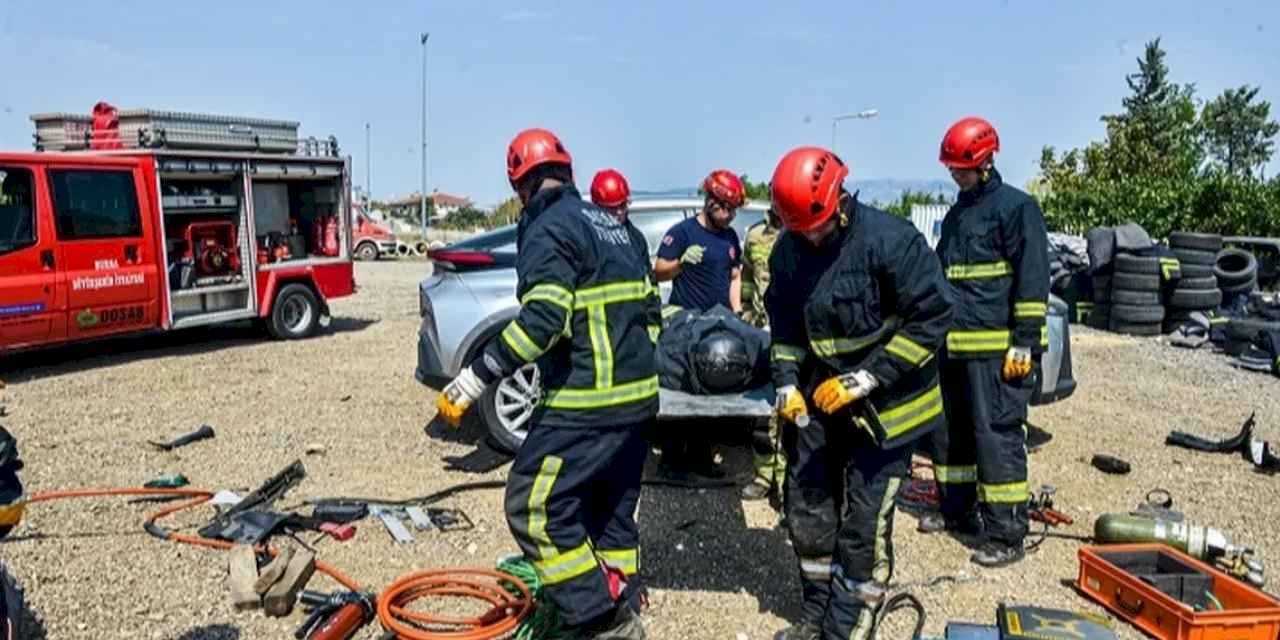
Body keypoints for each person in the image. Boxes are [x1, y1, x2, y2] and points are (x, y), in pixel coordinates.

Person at [436, 128, 660, 639]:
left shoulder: (548, 228)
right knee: (610, 508)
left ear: (520, 186)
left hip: (587, 402)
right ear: (569, 172)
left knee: (532, 505)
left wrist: (474, 378)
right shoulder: (613, 225)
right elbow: (651, 314)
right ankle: (623, 592)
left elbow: (543, 321)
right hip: (638, 401)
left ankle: (603, 620)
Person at [766, 146, 953, 639]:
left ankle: (847, 627)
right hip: (822, 401)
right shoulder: (789, 251)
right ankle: (816, 614)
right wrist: (786, 382)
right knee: (808, 507)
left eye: (817, 227)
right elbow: (784, 329)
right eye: (800, 230)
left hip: (888, 407)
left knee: (863, 524)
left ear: (840, 201)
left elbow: (932, 318)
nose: (811, 237)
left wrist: (868, 377)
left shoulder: (892, 241)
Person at [920, 116, 1049, 569]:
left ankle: (1006, 534)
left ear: (985, 162)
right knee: (949, 434)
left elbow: (1033, 279)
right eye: (951, 168)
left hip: (997, 352)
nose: (955, 174)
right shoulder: (958, 215)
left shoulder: (1017, 208)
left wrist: (1024, 343)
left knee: (995, 437)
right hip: (954, 348)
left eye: (961, 168)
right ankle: (957, 512)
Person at [739, 208, 784, 502]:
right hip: (762, 336)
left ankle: (788, 481)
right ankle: (765, 474)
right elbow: (746, 279)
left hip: (794, 336)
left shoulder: (806, 233)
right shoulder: (755, 235)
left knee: (793, 412)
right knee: (761, 413)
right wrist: (745, 316)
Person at [654, 169, 746, 314]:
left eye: (734, 210)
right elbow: (658, 274)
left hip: (721, 321)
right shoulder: (682, 232)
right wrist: (680, 265)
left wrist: (737, 311)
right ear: (711, 202)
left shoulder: (730, 236)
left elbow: (734, 277)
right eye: (728, 209)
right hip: (689, 321)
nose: (731, 216)